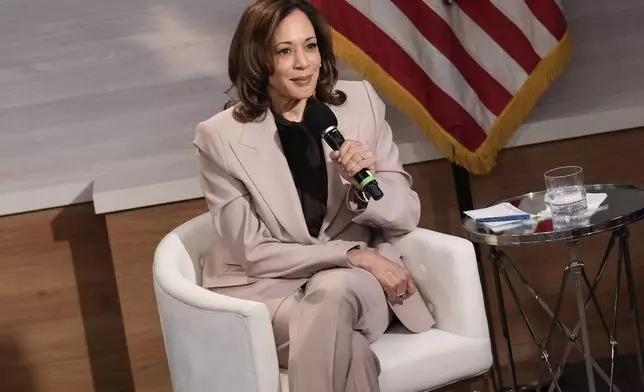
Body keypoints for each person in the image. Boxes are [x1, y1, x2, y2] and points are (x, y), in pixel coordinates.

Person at [193, 1, 435, 391]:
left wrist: (363, 184)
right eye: (285, 51)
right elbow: (254, 252)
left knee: (334, 291)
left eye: (310, 46)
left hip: (357, 287)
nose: (304, 63)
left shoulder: (360, 103)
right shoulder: (219, 137)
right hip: (274, 293)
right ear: (258, 60)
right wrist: (352, 254)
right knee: (348, 350)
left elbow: (406, 213)